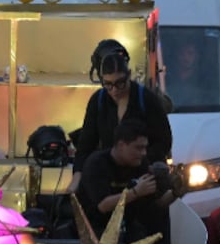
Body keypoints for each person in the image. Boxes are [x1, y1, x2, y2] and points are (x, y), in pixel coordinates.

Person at [69, 40, 172, 193]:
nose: (114, 90)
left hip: (143, 178)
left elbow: (164, 141)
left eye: (120, 83)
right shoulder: (98, 101)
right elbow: (85, 145)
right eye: (108, 84)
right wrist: (76, 180)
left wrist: (139, 158)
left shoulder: (147, 99)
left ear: (129, 75)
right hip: (109, 178)